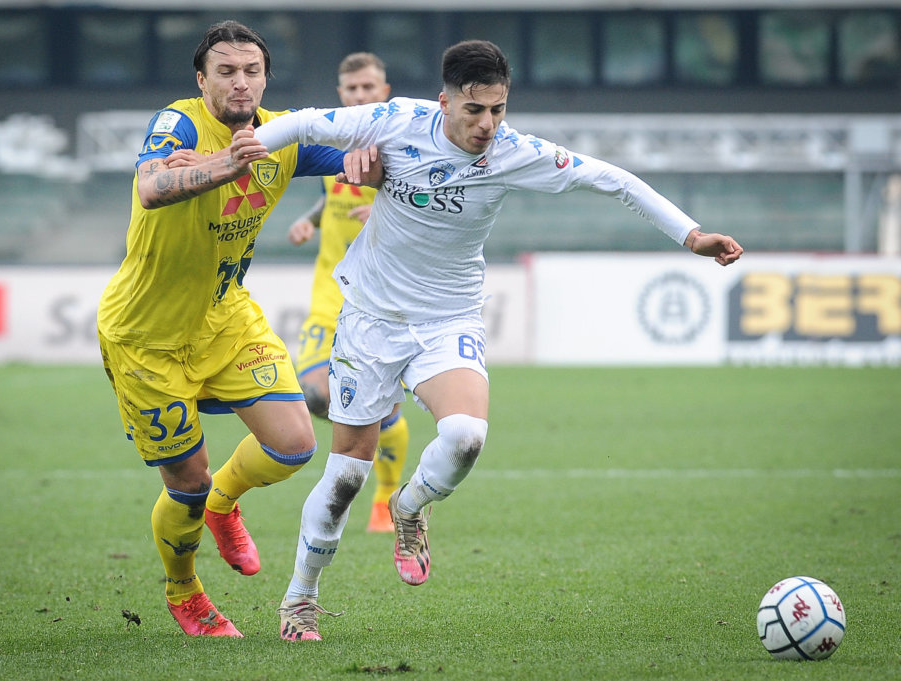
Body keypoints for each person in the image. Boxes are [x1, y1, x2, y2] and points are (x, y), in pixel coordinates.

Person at [253, 39, 744, 641]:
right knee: (347, 475)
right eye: (474, 110)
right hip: (371, 318)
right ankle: (300, 598)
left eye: (498, 110)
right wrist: (234, 155)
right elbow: (300, 124)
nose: (487, 124)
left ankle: (409, 507)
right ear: (445, 102)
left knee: (465, 436)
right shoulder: (397, 121)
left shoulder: (514, 153)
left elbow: (610, 179)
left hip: (448, 319)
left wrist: (690, 235)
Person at [96, 20, 379, 638]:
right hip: (145, 334)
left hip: (225, 317)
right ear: (202, 80)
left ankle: (227, 504)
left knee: (294, 444)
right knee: (186, 482)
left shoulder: (283, 136)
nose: (241, 82)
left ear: (266, 79)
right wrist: (222, 165)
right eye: (226, 71)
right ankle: (185, 590)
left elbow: (362, 163)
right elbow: (151, 186)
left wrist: (378, 166)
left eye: (252, 71)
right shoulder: (181, 123)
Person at [286, 52, 409, 534]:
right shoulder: (335, 141)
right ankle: (362, 464)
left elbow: (432, 213)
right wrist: (311, 219)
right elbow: (333, 192)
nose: (359, 96)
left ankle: (386, 494)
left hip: (382, 303)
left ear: (385, 92)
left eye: (368, 88)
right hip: (329, 299)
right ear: (341, 95)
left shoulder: (403, 147)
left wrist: (386, 213)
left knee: (385, 410)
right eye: (351, 90)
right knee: (315, 395)